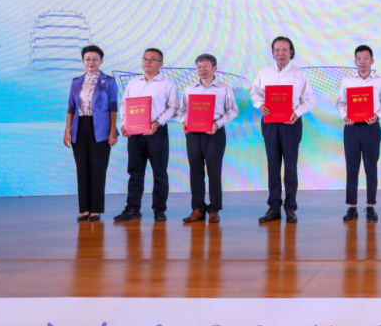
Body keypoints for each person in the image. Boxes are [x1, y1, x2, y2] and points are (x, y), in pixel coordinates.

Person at [250, 36, 315, 224]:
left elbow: (309, 99)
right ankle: (274, 207)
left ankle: (290, 207)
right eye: (277, 49)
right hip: (270, 123)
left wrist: (297, 112)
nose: (281, 53)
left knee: (290, 166)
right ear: (272, 53)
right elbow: (255, 93)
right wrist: (260, 104)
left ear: (291, 52)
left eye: (285, 49)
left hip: (291, 123)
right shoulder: (264, 73)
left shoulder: (299, 74)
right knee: (273, 165)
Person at [113, 48, 179, 223]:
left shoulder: (168, 84)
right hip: (134, 132)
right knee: (135, 172)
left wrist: (158, 122)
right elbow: (124, 104)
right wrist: (124, 123)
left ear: (161, 63)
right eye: (145, 59)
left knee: (159, 172)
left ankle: (159, 209)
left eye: (152, 59)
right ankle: (132, 209)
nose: (147, 62)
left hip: (156, 132)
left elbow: (173, 108)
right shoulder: (133, 83)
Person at [176, 54, 239, 224]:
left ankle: (214, 209)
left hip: (214, 132)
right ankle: (198, 208)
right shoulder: (189, 89)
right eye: (199, 66)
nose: (202, 69)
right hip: (193, 132)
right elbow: (181, 111)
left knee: (214, 171)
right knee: (195, 171)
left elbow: (233, 110)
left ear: (214, 68)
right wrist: (184, 121)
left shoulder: (224, 88)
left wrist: (217, 124)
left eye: (206, 66)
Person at [336, 45, 381, 222]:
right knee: (352, 168)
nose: (362, 62)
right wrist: (345, 116)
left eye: (366, 58)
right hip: (351, 127)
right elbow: (340, 103)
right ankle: (352, 207)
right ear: (355, 62)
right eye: (359, 58)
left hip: (371, 127)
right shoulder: (347, 81)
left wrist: (378, 115)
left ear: (372, 61)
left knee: (370, 167)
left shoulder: (380, 82)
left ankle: (370, 206)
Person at [63, 45, 118, 222]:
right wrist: (67, 130)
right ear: (82, 61)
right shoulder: (76, 81)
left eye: (95, 59)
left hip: (101, 128)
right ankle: (84, 209)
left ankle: (96, 209)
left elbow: (113, 107)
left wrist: (113, 130)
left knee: (98, 168)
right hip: (79, 127)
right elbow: (71, 107)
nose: (91, 62)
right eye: (88, 59)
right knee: (82, 168)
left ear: (101, 61)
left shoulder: (109, 81)